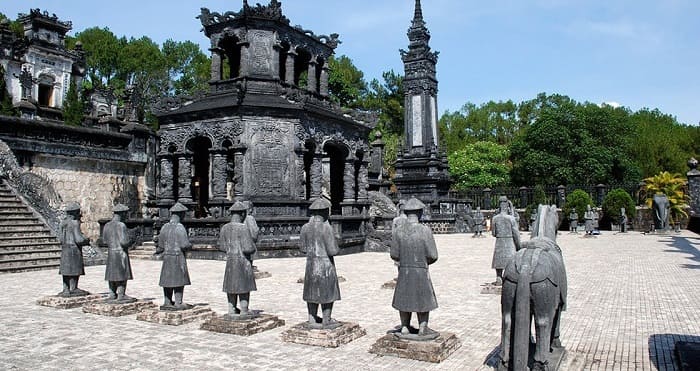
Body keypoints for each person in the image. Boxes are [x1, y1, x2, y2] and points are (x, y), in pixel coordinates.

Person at [391, 197, 438, 337]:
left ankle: (404, 326)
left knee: (404, 296)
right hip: (420, 269)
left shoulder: (398, 231)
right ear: (420, 213)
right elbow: (433, 255)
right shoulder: (425, 231)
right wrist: (423, 262)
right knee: (422, 297)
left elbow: (394, 254)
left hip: (404, 269)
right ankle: (423, 326)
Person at [300, 198, 341, 328]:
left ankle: (311, 318)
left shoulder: (305, 227)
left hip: (311, 264)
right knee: (328, 291)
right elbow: (333, 250)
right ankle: (326, 319)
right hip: (325, 265)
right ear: (325, 212)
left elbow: (303, 248)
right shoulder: (326, 227)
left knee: (311, 291)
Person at [218, 201, 257, 318]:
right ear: (242, 214)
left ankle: (231, 309)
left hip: (230, 261)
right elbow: (248, 248)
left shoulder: (225, 228)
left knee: (231, 285)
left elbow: (222, 247)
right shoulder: (243, 228)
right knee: (244, 286)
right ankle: (244, 310)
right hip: (242, 261)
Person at [156, 202, 192, 310]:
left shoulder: (164, 227)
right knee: (179, 279)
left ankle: (167, 301)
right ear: (181, 214)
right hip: (177, 257)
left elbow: (161, 246)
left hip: (167, 257)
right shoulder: (180, 227)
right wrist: (190, 245)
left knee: (167, 279)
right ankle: (178, 302)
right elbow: (184, 245)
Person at [103, 204, 135, 302]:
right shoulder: (121, 225)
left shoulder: (107, 225)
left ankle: (112, 293)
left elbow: (104, 241)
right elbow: (124, 242)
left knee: (111, 274)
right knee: (122, 274)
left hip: (111, 252)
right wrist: (131, 241)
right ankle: (121, 294)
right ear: (122, 214)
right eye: (125, 213)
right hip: (120, 253)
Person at [58, 202, 91, 296]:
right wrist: (86, 240)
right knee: (75, 269)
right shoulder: (75, 223)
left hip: (65, 249)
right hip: (74, 249)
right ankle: (74, 288)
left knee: (66, 270)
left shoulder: (63, 223)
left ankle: (66, 289)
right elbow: (78, 239)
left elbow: (60, 238)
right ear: (75, 213)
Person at [491, 196, 520, 286]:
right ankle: (511, 279)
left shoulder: (495, 218)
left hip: (499, 241)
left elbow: (494, 233)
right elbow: (516, 234)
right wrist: (519, 246)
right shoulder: (511, 219)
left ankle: (499, 278)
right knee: (511, 261)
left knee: (499, 261)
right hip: (510, 241)